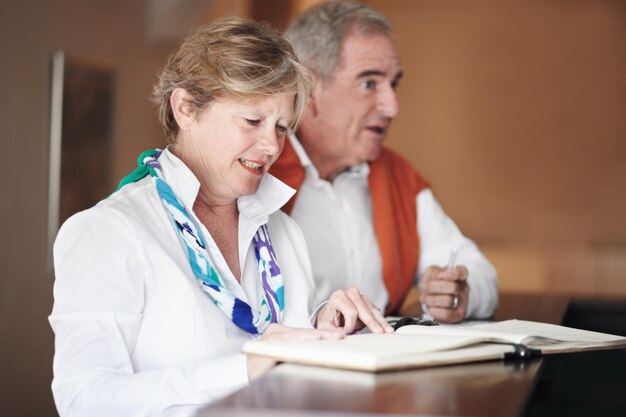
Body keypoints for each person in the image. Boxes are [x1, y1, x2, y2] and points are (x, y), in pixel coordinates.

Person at [49, 17, 392, 417]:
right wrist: (246, 367)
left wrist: (324, 323)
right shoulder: (106, 233)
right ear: (186, 108)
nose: (270, 146)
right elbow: (83, 399)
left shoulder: (283, 230)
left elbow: (286, 347)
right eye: (252, 121)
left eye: (281, 128)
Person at [270, 0, 499, 323]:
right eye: (369, 83)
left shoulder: (397, 177)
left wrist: (459, 292)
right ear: (308, 89)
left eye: (393, 84)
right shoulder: (258, 172)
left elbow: (477, 270)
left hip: (388, 368)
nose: (392, 106)